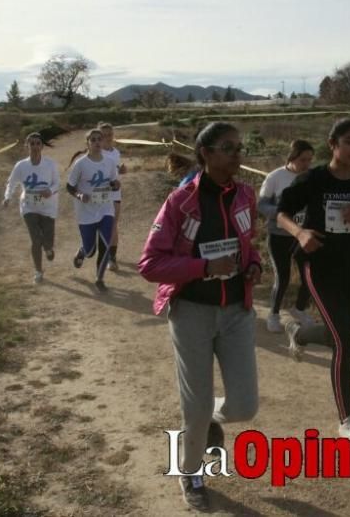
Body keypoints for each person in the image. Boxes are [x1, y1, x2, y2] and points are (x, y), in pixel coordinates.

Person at [138, 122, 262, 512]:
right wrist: (205, 268)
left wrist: (254, 264)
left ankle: (209, 417)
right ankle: (190, 473)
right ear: (205, 153)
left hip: (236, 313)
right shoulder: (180, 202)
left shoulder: (245, 195)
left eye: (240, 147)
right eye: (228, 148)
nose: (238, 155)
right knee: (194, 408)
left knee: (244, 405)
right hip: (191, 312)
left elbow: (249, 243)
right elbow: (150, 263)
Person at [276, 118, 350, 441]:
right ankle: (347, 420)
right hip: (317, 264)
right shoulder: (314, 180)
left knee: (340, 333)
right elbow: (280, 214)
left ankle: (300, 331)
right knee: (345, 341)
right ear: (332, 144)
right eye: (348, 141)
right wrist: (301, 232)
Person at [258, 139, 316, 332]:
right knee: (282, 277)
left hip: (302, 235)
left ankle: (299, 309)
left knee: (310, 275)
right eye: (302, 160)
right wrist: (282, 213)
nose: (306, 164)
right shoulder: (275, 177)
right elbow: (262, 205)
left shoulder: (312, 177)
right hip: (279, 235)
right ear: (292, 158)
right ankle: (273, 315)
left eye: (309, 160)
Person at [66, 129, 120, 292]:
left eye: (99, 139)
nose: (97, 142)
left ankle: (99, 278)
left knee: (105, 243)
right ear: (88, 143)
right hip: (86, 212)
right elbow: (69, 187)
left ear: (103, 142)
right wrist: (80, 194)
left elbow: (113, 182)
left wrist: (115, 184)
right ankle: (83, 251)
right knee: (91, 250)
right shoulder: (81, 164)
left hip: (105, 209)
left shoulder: (110, 162)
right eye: (93, 140)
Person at [2, 133, 59, 284]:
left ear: (42, 146)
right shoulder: (21, 166)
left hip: (48, 207)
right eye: (31, 144)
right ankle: (38, 271)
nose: (34, 147)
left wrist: (50, 191)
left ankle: (49, 248)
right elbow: (12, 182)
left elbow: (57, 184)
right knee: (35, 239)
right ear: (27, 146)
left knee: (47, 241)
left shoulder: (50, 164)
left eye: (37, 143)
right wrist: (7, 197)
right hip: (28, 206)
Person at [98, 122, 126, 271]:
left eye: (110, 134)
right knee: (98, 226)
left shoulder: (116, 152)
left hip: (114, 194)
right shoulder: (95, 154)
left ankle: (112, 258)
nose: (108, 137)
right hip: (98, 195)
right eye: (104, 135)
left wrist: (121, 170)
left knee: (113, 225)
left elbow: (115, 171)